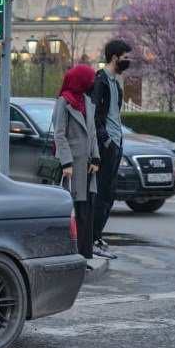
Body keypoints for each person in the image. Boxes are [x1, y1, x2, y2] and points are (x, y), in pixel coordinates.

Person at [89, 39, 132, 259]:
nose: (128, 61)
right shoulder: (100, 81)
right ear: (115, 58)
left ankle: (97, 237)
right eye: (125, 57)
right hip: (107, 145)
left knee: (109, 194)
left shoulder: (115, 82)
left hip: (116, 142)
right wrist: (105, 141)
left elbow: (115, 114)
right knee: (101, 193)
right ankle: (92, 238)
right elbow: (96, 115)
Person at [53, 64, 100, 264]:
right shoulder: (64, 102)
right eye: (90, 79)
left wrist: (96, 157)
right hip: (72, 168)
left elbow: (93, 132)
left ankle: (83, 255)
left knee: (85, 212)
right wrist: (66, 163)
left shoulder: (87, 101)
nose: (92, 82)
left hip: (88, 166)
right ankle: (70, 256)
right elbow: (59, 135)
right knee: (72, 211)